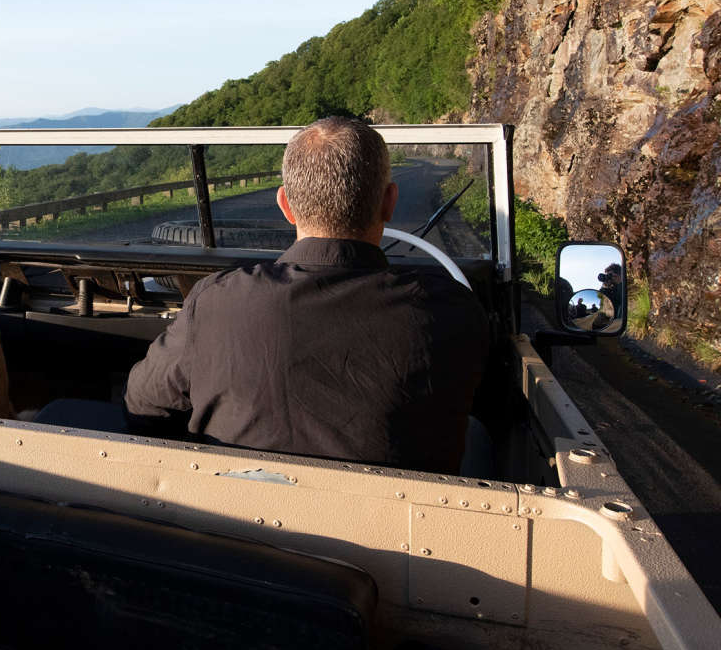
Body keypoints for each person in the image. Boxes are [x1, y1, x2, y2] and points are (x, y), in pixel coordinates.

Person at [123, 117, 487, 472]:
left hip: (237, 520)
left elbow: (142, 407)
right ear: (389, 203)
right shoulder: (451, 309)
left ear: (285, 206)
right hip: (400, 527)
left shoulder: (213, 301)